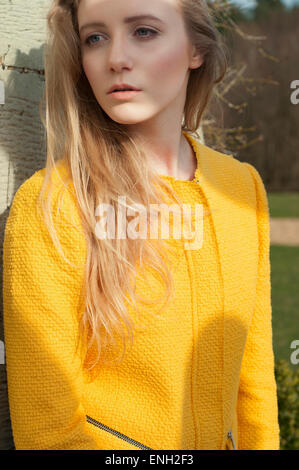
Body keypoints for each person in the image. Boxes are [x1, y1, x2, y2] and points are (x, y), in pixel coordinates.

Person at [3, 0, 280, 450]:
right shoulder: (53, 206)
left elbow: (255, 384)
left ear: (196, 49)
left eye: (144, 32)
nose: (115, 58)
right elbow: (50, 432)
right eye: (95, 37)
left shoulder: (242, 188)